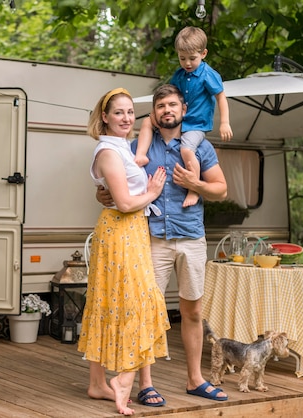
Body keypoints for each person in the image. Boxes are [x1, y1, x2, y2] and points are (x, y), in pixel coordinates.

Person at [97, 84, 229, 402]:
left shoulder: (200, 147)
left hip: (191, 237)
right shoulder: (136, 148)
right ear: (154, 115)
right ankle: (146, 384)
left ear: (183, 110)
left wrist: (194, 183)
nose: (167, 110)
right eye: (160, 106)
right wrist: (103, 195)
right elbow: (110, 186)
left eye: (172, 105)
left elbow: (221, 190)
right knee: (145, 312)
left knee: (193, 311)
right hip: (151, 238)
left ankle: (194, 379)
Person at [78, 87, 170, 416]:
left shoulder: (122, 147)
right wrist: (153, 191)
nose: (126, 118)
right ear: (104, 117)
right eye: (119, 113)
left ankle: (97, 383)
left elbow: (116, 191)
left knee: (110, 300)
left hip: (130, 230)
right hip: (120, 229)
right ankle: (123, 378)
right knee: (141, 300)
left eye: (130, 112)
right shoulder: (108, 151)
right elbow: (126, 202)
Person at [134, 26, 232, 208]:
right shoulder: (179, 75)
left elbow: (221, 97)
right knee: (147, 120)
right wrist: (159, 112)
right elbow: (170, 96)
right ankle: (141, 154)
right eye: (182, 58)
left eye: (192, 58)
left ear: (203, 53)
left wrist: (224, 123)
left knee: (187, 150)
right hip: (181, 122)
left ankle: (193, 189)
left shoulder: (208, 75)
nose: (187, 63)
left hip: (196, 124)